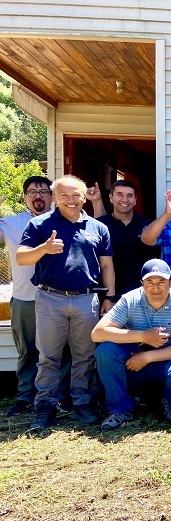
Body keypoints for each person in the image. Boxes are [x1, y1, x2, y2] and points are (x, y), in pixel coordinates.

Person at [17, 175, 115, 431]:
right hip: (51, 298)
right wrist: (43, 249)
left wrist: (110, 297)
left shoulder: (98, 227)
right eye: (64, 196)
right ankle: (45, 408)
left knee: (84, 357)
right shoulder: (39, 224)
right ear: (55, 197)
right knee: (48, 358)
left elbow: (106, 265)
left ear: (84, 197)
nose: (70, 201)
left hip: (86, 299)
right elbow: (21, 257)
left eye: (76, 196)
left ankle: (82, 404)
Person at [92, 259, 171, 429]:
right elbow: (97, 333)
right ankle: (119, 409)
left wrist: (147, 356)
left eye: (161, 281)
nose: (156, 287)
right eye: (150, 282)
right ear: (142, 283)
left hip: (166, 361)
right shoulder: (129, 299)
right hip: (132, 362)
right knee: (105, 350)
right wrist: (143, 336)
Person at [1, 177, 69, 417]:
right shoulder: (9, 224)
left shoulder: (64, 220)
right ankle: (25, 396)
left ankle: (58, 396)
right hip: (25, 297)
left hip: (57, 298)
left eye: (43, 191)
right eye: (32, 192)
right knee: (28, 351)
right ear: (24, 197)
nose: (38, 196)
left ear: (52, 196)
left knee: (59, 351)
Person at [95, 180, 158, 295]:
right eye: (120, 195)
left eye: (129, 196)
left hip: (140, 293)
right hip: (107, 294)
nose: (125, 199)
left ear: (135, 200)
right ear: (111, 197)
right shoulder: (100, 225)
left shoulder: (147, 226)